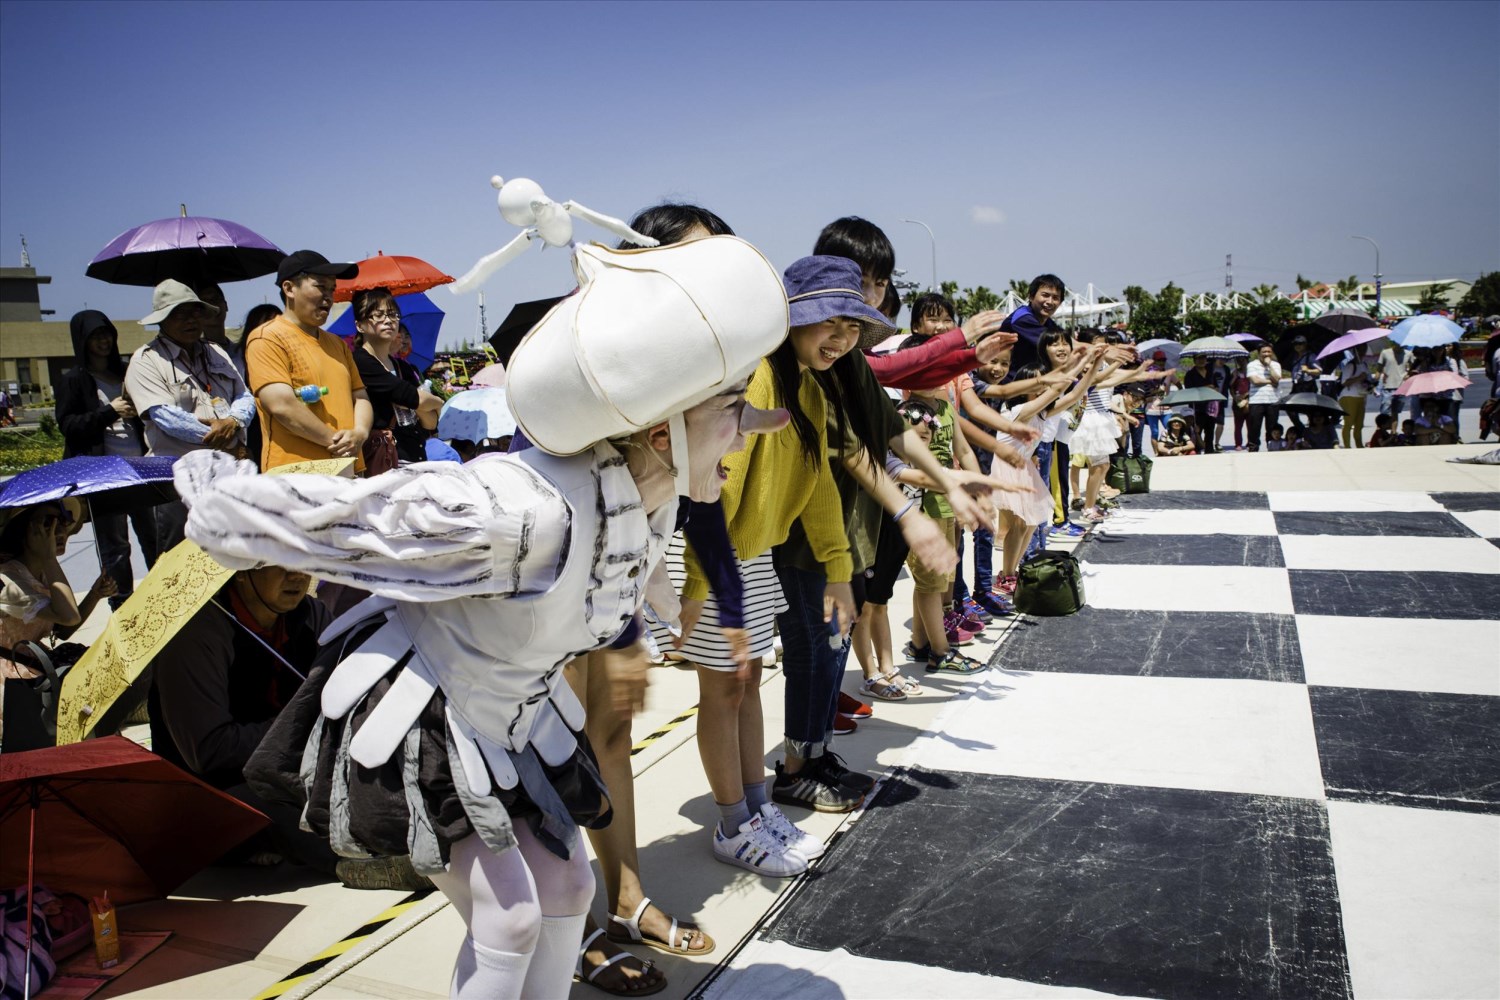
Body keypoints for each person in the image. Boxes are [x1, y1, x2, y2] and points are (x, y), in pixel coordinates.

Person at [194, 233, 790, 1000]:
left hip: (513, 715)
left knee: (571, 888)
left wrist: (667, 612)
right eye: (732, 409)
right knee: (507, 916)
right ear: (656, 433)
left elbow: (616, 581)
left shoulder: (651, 495)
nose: (750, 429)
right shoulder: (523, 512)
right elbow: (360, 518)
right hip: (424, 709)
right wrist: (222, 500)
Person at [147, 565, 357, 878]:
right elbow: (209, 750)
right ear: (241, 570)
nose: (297, 575)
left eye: (301, 560)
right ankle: (353, 861)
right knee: (265, 803)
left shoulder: (310, 615)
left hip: (289, 765)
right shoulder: (196, 634)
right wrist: (301, 728)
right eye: (279, 564)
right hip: (215, 792)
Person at [124, 279, 255, 551]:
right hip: (176, 481)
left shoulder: (216, 351)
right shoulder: (146, 359)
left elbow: (244, 395)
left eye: (195, 311)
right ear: (162, 320)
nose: (190, 320)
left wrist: (234, 422)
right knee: (181, 564)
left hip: (229, 475)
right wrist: (221, 433)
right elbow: (165, 417)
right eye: (179, 314)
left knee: (234, 557)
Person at [54, 310, 157, 604]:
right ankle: (123, 605)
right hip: (103, 475)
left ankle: (165, 595)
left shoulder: (126, 372)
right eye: (95, 335)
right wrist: (109, 411)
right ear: (82, 340)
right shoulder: (74, 380)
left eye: (107, 334)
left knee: (153, 539)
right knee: (116, 547)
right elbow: (69, 425)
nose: (103, 341)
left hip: (139, 468)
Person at [244, 251, 374, 472]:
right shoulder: (267, 338)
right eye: (320, 287)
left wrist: (360, 433)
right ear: (289, 289)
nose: (329, 297)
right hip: (296, 474)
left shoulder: (337, 344)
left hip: (347, 467)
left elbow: (360, 396)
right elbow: (281, 405)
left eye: (332, 289)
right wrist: (337, 441)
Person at [1, 500, 115, 742]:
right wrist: (50, 557)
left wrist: (94, 595)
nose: (60, 531)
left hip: (33, 663)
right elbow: (68, 615)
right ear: (25, 529)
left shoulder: (41, 572)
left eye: (63, 522)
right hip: (11, 680)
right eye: (48, 523)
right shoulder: (10, 579)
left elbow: (63, 630)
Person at [350, 290, 442, 470]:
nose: (388, 320)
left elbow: (431, 423)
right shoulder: (360, 362)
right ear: (360, 325)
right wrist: (437, 402)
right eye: (378, 315)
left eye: (393, 314)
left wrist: (417, 402)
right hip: (383, 460)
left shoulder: (403, 367)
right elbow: (417, 399)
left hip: (415, 456)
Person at [1001, 275, 1065, 370]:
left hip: (1034, 378)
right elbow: (1060, 343)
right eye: (1045, 295)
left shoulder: (1048, 322)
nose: (1050, 301)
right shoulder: (1022, 318)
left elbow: (1066, 340)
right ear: (1031, 296)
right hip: (1010, 379)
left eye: (1055, 298)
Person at [1244, 343, 1284, 452]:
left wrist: (1269, 366)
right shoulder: (1252, 365)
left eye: (1269, 352)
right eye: (1264, 352)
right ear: (1259, 353)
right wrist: (1270, 381)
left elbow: (1277, 379)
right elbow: (1255, 381)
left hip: (1273, 400)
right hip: (1257, 400)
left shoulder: (1276, 365)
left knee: (1272, 428)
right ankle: (1253, 448)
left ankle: (1271, 447)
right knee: (1254, 428)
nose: (1266, 354)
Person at [1338, 350, 1372, 448]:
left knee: (1359, 424)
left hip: (1361, 396)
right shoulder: (1350, 366)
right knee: (1349, 423)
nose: (1361, 352)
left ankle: (1359, 445)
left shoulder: (1364, 365)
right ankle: (1347, 446)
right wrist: (1359, 377)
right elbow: (1344, 382)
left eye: (1363, 349)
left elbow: (1367, 379)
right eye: (1359, 349)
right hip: (1349, 396)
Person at [1376, 340, 1410, 423]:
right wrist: (1375, 383)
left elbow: (1413, 367)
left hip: (1401, 387)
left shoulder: (1408, 354)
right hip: (1388, 387)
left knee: (1395, 413)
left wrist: (1409, 374)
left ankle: (1393, 433)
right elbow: (1379, 368)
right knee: (1384, 412)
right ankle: (1381, 431)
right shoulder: (1385, 353)